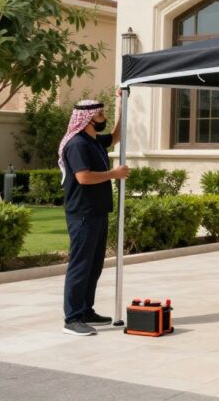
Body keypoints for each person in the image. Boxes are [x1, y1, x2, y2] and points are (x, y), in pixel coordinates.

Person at [58, 97, 129, 336]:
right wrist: (114, 174)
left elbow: (116, 136)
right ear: (88, 118)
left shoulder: (94, 141)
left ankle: (86, 310)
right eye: (100, 116)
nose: (103, 119)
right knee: (81, 265)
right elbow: (83, 178)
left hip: (97, 211)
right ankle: (73, 318)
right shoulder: (77, 144)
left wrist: (122, 105)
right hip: (83, 214)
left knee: (94, 265)